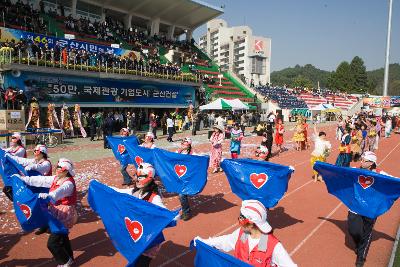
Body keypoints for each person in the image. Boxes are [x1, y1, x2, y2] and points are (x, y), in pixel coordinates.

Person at [194, 200, 297, 267]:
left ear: (251, 224)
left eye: (241, 220)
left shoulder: (272, 246)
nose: (239, 222)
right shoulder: (243, 234)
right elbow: (226, 241)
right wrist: (205, 242)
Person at [16, 158, 78, 266]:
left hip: (65, 214)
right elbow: (42, 180)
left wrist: (49, 196)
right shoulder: (56, 178)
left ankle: (66, 261)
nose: (57, 170)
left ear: (66, 170)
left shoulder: (69, 184)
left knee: (52, 243)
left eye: (60, 168)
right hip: (56, 211)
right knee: (63, 237)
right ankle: (70, 258)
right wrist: (24, 179)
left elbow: (60, 192)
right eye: (57, 167)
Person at [112, 163, 166, 267]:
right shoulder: (134, 192)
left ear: (150, 178)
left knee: (142, 263)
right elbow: (118, 191)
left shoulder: (154, 197)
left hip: (149, 238)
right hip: (137, 233)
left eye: (141, 176)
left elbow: (163, 212)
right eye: (137, 175)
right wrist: (100, 186)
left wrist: (171, 217)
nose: (137, 179)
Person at [347, 152, 389, 267]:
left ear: (371, 164)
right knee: (353, 231)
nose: (361, 162)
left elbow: (395, 181)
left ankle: (361, 257)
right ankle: (359, 244)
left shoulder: (380, 174)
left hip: (371, 209)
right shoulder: (355, 170)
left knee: (367, 234)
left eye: (364, 160)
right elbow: (339, 171)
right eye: (362, 159)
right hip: (355, 206)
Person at [176, 137, 194, 221]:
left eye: (185, 142)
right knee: (181, 195)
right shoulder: (178, 151)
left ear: (189, 144)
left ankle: (186, 212)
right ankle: (185, 210)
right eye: (182, 141)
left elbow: (196, 163)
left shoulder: (192, 153)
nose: (182, 143)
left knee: (182, 195)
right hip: (179, 176)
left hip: (187, 177)